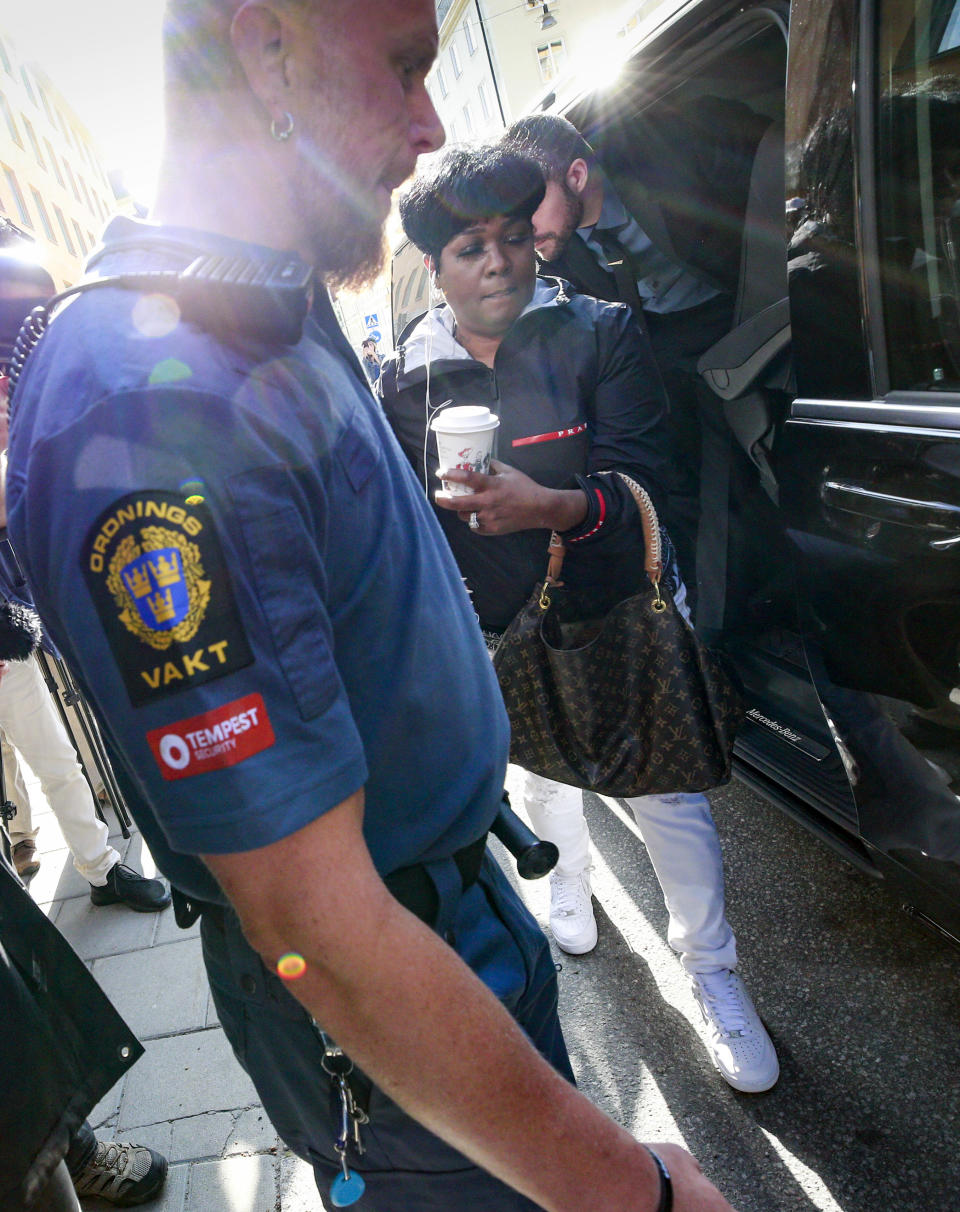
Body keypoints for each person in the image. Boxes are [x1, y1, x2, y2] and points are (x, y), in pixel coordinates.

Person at [6, 3, 736, 1210]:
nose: (429, 123)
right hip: (391, 984)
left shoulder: (260, 308)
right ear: (266, 48)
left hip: (452, 917)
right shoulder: (149, 398)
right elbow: (318, 925)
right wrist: (633, 1193)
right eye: (403, 69)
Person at [378, 143, 779, 1096]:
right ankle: (566, 890)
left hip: (619, 607)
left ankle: (715, 976)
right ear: (434, 266)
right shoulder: (406, 383)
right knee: (544, 782)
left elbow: (649, 480)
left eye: (515, 237)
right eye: (472, 245)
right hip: (504, 628)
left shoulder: (598, 332)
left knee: (666, 800)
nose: (501, 262)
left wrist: (552, 506)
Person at [504, 108, 769, 600]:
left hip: (742, 313)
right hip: (662, 348)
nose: (521, 231)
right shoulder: (558, 255)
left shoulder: (674, 173)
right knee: (686, 477)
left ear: (577, 176)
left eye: (529, 207)